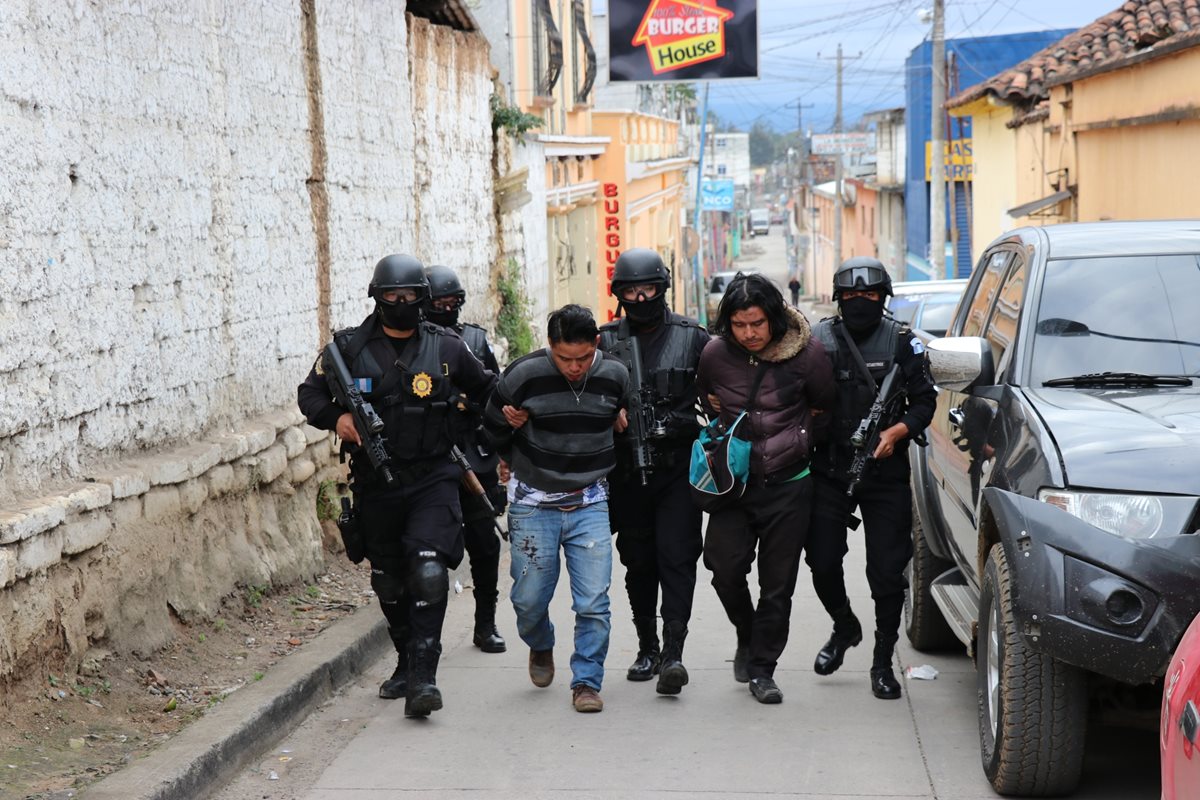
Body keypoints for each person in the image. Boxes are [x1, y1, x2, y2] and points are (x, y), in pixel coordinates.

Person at [297, 254, 496, 718]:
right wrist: (338, 417)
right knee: (388, 579)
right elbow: (310, 394)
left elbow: (489, 389)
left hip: (434, 477)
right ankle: (405, 659)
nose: (401, 303)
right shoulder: (346, 350)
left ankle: (425, 676)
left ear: (423, 298)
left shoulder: (447, 347)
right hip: (376, 481)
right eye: (392, 296)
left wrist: (473, 431)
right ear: (377, 298)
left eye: (409, 296)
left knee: (428, 569)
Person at [696, 273, 835, 704]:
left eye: (757, 323)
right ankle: (746, 629)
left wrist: (801, 441)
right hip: (733, 488)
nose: (749, 334)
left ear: (773, 317)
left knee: (778, 585)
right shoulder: (715, 355)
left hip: (789, 485)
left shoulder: (806, 353)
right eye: (739, 325)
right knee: (723, 569)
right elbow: (706, 400)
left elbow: (826, 405)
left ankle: (762, 669)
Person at [482, 305, 629, 713]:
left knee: (593, 602)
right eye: (565, 359)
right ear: (550, 347)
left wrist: (622, 419)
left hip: (590, 503)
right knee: (528, 600)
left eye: (583, 358)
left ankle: (586, 682)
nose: (575, 367)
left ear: (595, 345)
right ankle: (541, 643)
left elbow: (623, 415)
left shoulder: (615, 374)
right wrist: (510, 432)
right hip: (533, 505)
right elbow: (489, 425)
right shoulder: (523, 375)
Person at [804, 257, 936, 700]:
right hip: (830, 466)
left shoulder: (903, 343)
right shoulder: (817, 340)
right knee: (822, 560)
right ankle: (844, 627)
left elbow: (924, 403)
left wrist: (897, 432)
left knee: (885, 572)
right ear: (838, 298)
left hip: (884, 470)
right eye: (852, 295)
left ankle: (882, 662)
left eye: (871, 295)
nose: (861, 302)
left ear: (884, 298)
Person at [598, 249, 709, 695]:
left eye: (647, 289)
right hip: (626, 472)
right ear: (620, 295)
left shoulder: (693, 337)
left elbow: (726, 387)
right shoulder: (604, 341)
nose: (640, 297)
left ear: (662, 289)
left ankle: (674, 652)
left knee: (678, 558)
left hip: (678, 469)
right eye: (630, 291)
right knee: (639, 560)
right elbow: (577, 390)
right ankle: (647, 646)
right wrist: (609, 412)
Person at [423, 264, 507, 655]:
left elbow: (496, 390)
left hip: (473, 450)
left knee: (485, 545)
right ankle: (424, 638)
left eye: (451, 302)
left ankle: (485, 623)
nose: (445, 308)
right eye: (437, 302)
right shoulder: (415, 343)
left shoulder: (473, 339)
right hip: (429, 454)